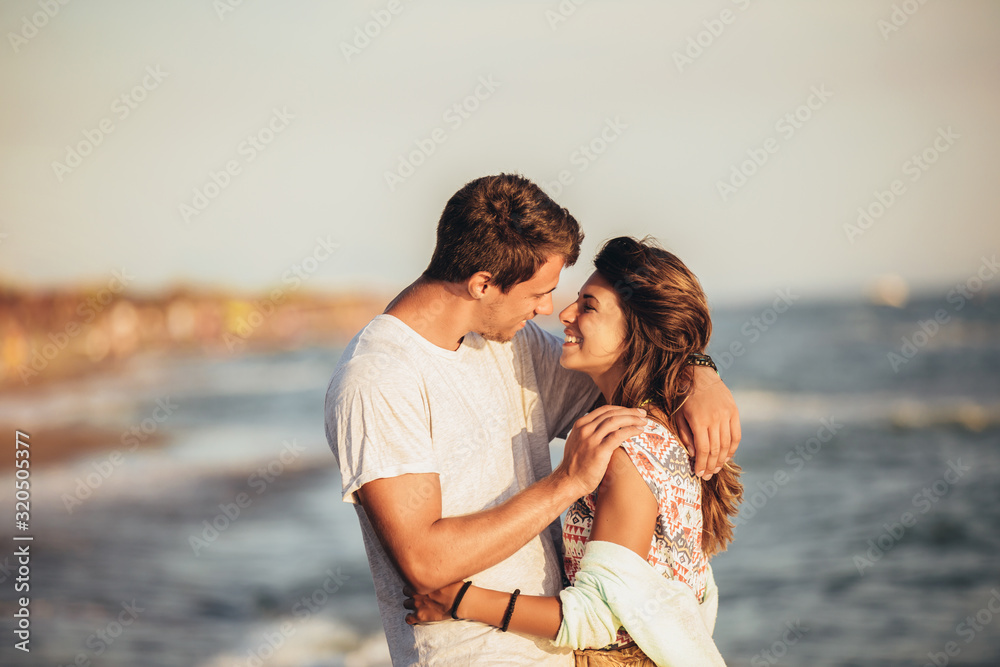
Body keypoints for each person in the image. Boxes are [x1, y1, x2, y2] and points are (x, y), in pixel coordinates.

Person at [324, 174, 741, 666]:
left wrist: (699, 371)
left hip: (564, 651)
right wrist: (567, 481)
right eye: (538, 293)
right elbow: (424, 563)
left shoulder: (511, 345)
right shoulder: (378, 379)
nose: (549, 309)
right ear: (482, 283)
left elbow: (634, 372)